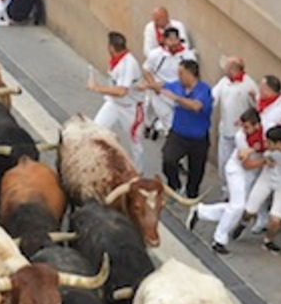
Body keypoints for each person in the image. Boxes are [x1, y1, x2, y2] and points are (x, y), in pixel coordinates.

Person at [186, 107, 264, 255]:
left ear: (257, 125)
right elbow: (245, 163)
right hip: (237, 171)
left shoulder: (265, 132)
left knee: (234, 208)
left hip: (250, 175)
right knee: (237, 206)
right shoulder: (240, 136)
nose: (244, 129)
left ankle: (200, 211)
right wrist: (264, 159)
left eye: (247, 127)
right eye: (244, 126)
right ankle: (219, 240)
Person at [233, 125, 281, 254]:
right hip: (267, 178)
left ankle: (268, 240)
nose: (266, 144)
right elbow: (252, 150)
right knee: (250, 210)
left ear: (278, 143)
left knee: (276, 219)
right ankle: (243, 222)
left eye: (269, 143)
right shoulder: (269, 145)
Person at [146, 59, 212, 199]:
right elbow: (164, 86)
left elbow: (196, 106)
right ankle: (175, 186)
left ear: (190, 74)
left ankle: (191, 194)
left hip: (198, 139)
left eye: (181, 73)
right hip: (178, 135)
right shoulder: (177, 85)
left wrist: (176, 98)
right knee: (168, 160)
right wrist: (150, 85)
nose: (178, 76)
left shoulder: (204, 90)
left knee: (196, 170)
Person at [87, 31, 144, 170]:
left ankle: (138, 173)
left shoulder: (128, 63)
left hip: (131, 108)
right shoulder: (116, 60)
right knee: (95, 131)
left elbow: (121, 91)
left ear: (111, 47)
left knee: (135, 143)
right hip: (113, 104)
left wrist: (96, 88)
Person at [140, 26, 196, 139]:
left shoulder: (188, 56)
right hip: (158, 92)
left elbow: (192, 77)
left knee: (171, 122)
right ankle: (149, 125)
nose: (174, 43)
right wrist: (154, 86)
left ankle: (171, 139)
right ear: (165, 41)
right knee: (149, 111)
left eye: (176, 40)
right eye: (171, 40)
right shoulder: (156, 54)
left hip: (177, 93)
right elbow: (146, 70)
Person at [211, 56, 257, 183]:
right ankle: (225, 190)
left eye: (227, 66)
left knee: (240, 165)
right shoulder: (224, 81)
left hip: (242, 134)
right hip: (225, 131)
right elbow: (213, 97)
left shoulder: (249, 84)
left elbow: (257, 108)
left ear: (233, 68)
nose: (224, 68)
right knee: (224, 165)